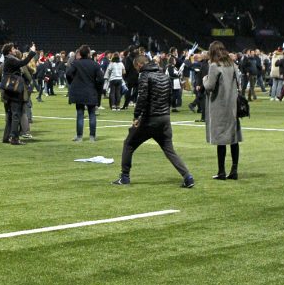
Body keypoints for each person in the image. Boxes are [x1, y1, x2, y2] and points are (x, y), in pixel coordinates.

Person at [112, 54, 194, 188]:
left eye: (136, 67)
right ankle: (188, 177)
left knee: (128, 144)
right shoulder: (164, 75)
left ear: (139, 65)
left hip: (150, 119)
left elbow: (142, 97)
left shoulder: (144, 76)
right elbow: (169, 97)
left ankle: (125, 177)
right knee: (169, 150)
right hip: (165, 119)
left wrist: (136, 116)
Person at [202, 41, 243, 180]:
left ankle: (221, 172)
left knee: (221, 140)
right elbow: (240, 83)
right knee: (233, 138)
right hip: (232, 106)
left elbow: (209, 86)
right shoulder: (232, 64)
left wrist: (204, 79)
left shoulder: (214, 66)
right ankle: (234, 170)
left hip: (219, 106)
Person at [0, 42, 36, 144]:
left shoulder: (7, 60)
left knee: (10, 115)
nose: (15, 50)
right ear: (9, 51)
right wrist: (32, 52)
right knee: (16, 115)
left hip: (8, 91)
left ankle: (6, 137)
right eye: (13, 49)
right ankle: (14, 138)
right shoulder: (11, 59)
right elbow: (23, 63)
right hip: (14, 91)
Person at [67, 44, 103, 142]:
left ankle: (79, 137)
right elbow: (100, 79)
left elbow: (68, 74)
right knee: (92, 114)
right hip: (91, 91)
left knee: (80, 114)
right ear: (88, 53)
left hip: (78, 92)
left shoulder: (76, 63)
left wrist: (73, 82)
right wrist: (97, 87)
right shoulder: (95, 64)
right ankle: (92, 136)